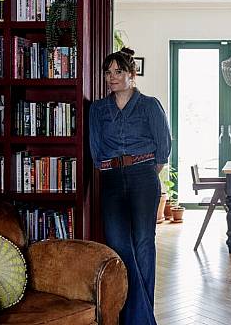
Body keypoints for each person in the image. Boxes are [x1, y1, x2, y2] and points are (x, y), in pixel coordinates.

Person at [89, 47, 171, 325]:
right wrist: (115, 168)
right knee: (119, 244)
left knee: (144, 243)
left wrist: (141, 169)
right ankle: (142, 317)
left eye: (118, 71)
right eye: (108, 72)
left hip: (143, 177)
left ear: (132, 74)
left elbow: (163, 149)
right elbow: (96, 149)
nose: (112, 77)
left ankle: (137, 317)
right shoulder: (99, 109)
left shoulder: (150, 105)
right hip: (111, 180)